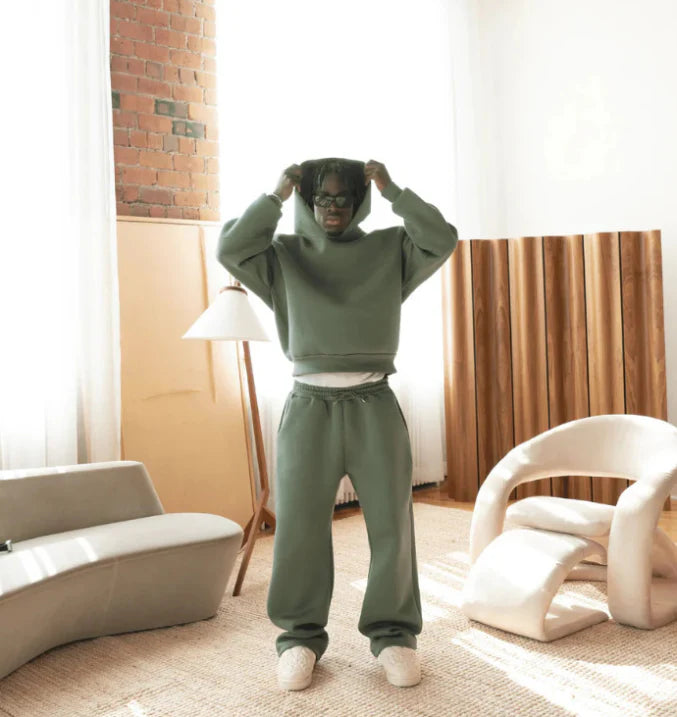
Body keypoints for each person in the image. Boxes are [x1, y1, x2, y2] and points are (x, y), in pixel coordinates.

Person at [217, 157, 458, 691]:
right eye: (321, 197)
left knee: (392, 526)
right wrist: (275, 195)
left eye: (343, 197)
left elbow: (442, 239)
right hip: (309, 407)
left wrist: (394, 191)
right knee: (300, 528)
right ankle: (299, 638)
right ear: (307, 200)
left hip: (374, 405)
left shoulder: (390, 249)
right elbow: (230, 248)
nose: (332, 206)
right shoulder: (282, 255)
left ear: (358, 201)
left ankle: (394, 635)